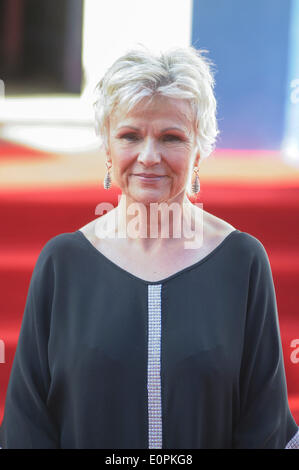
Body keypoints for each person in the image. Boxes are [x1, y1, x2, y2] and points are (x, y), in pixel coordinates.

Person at [0, 45, 298, 449]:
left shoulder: (241, 261)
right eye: (130, 135)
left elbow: (263, 424)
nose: (149, 156)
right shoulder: (62, 262)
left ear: (199, 151)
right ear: (107, 146)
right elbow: (29, 423)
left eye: (171, 137)